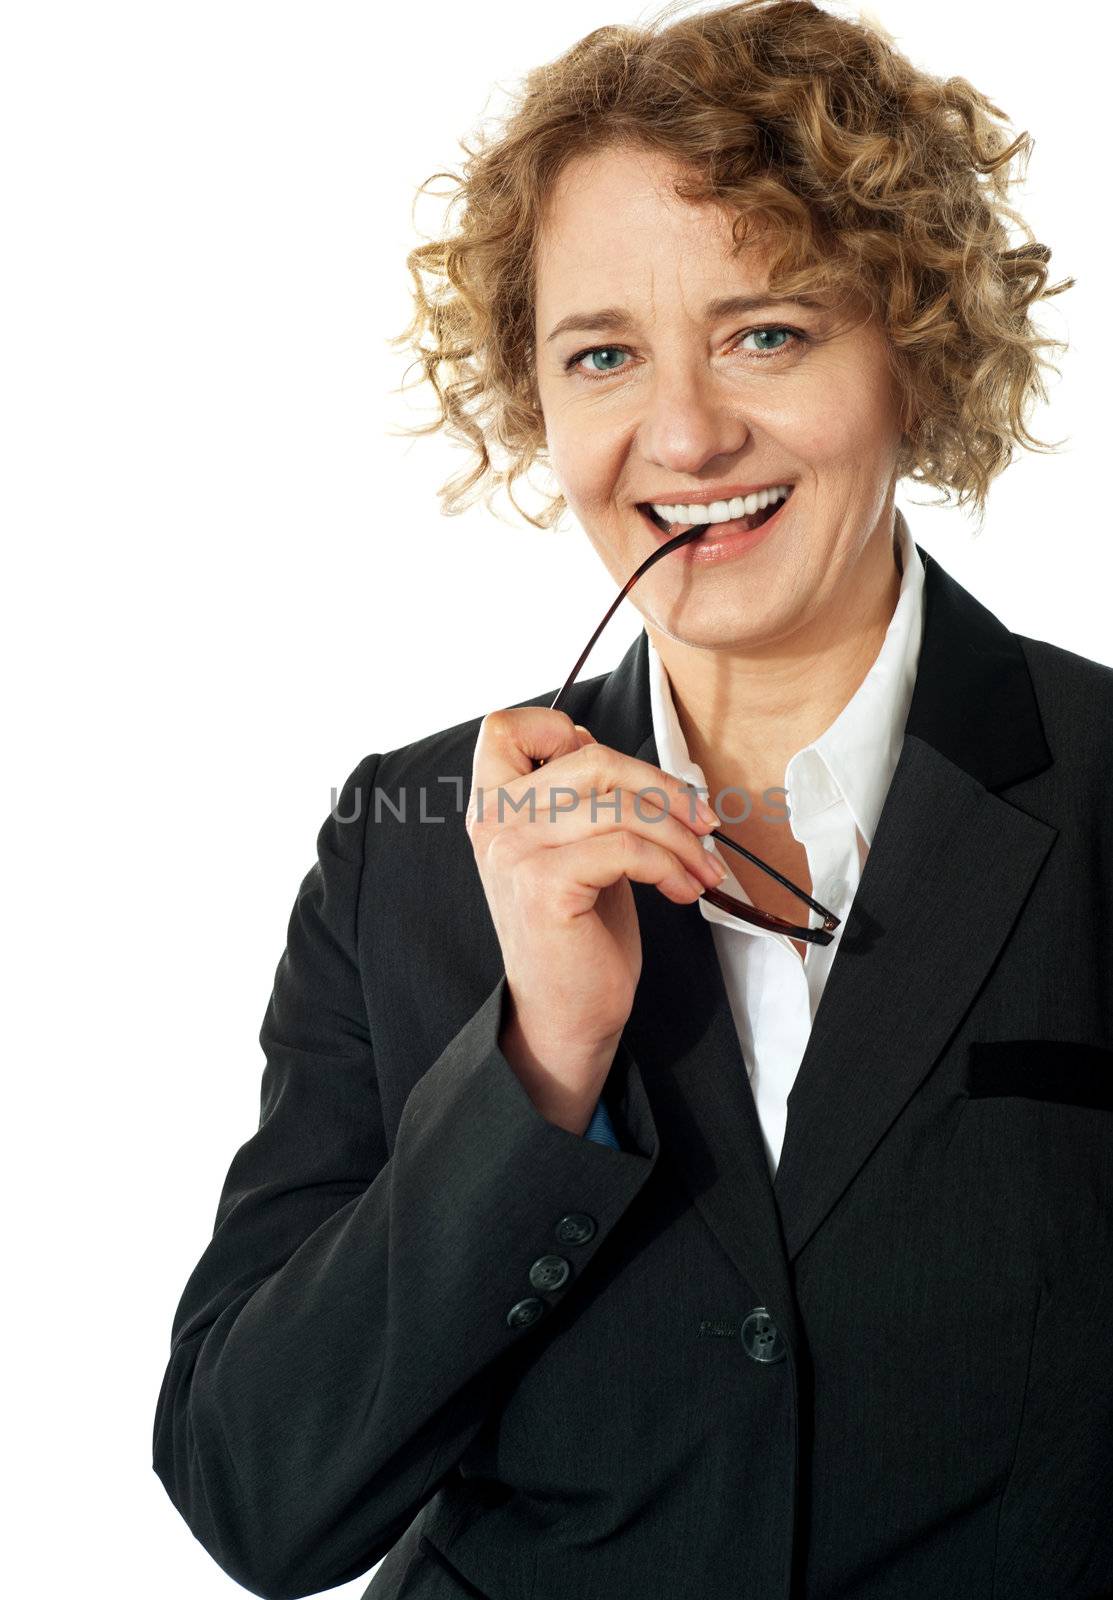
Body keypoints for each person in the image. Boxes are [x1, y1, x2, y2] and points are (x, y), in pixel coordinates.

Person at [152, 2, 1113, 1596]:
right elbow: (260, 1495)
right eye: (603, 355)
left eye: (767, 334)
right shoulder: (402, 844)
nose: (681, 434)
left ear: (915, 352)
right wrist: (537, 1060)